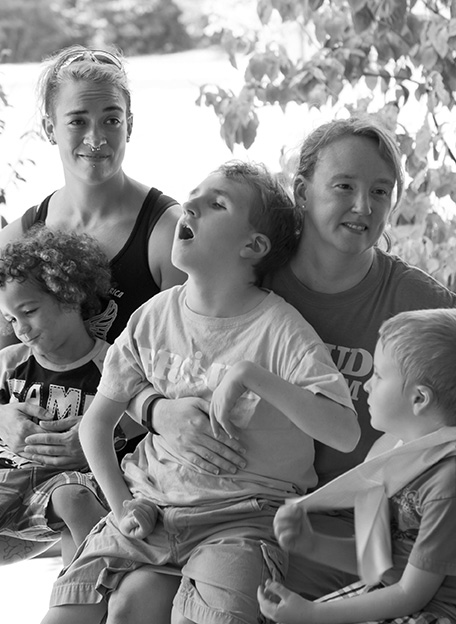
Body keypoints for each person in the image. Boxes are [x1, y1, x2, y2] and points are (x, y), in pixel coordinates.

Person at [143, 115, 456, 598]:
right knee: (135, 600)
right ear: (303, 190)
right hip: (230, 507)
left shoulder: (418, 304)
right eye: (344, 186)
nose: (362, 206)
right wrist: (157, 410)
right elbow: (147, 359)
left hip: (364, 524)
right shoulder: (245, 273)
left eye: (380, 191)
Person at [41, 161, 359, 624]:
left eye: (217, 203)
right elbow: (97, 424)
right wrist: (122, 507)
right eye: (194, 195)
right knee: (70, 613)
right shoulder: (151, 316)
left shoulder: (281, 329)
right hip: (148, 506)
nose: (189, 205)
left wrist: (253, 375)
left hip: (241, 522)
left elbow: (345, 432)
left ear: (253, 246)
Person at [0, 44, 212, 562]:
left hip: (137, 463)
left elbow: (198, 373)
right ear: (50, 128)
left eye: (110, 119)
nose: (96, 138)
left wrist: (100, 432)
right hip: (26, 467)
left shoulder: (169, 234)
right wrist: (5, 415)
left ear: (130, 125)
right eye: (77, 121)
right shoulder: (21, 236)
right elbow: (6, 351)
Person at [258, 308, 456, 624]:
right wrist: (309, 543)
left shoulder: (447, 484)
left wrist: (312, 614)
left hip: (433, 613)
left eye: (378, 375)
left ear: (419, 399)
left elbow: (412, 595)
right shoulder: (387, 451)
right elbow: (374, 561)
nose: (366, 385)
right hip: (387, 594)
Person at [0, 226, 112, 566]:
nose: (20, 328)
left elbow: (138, 421)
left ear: (70, 294)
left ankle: (92, 586)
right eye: (10, 318)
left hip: (64, 487)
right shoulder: (11, 362)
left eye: (29, 311)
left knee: (74, 496)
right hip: (8, 477)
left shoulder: (114, 365)